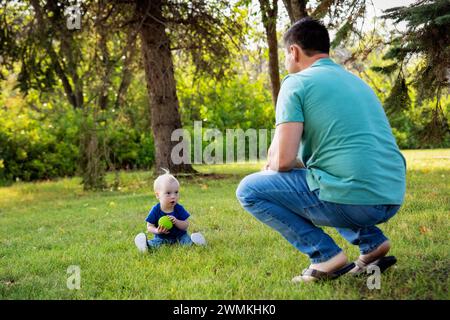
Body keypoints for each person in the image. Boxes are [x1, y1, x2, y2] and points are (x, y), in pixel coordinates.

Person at [236, 17, 406, 282]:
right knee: (325, 179)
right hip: (391, 193)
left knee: (249, 190)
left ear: (294, 51)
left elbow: (282, 161)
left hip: (356, 199)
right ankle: (371, 241)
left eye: (285, 54)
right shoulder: (357, 82)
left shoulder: (297, 83)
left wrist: (274, 163)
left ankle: (324, 255)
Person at [134, 169, 206, 252]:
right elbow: (149, 226)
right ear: (158, 195)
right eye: (168, 193)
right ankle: (145, 246)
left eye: (176, 192)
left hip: (180, 236)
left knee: (186, 240)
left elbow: (186, 225)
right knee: (156, 243)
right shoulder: (156, 210)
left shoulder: (179, 208)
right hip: (162, 237)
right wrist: (157, 230)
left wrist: (177, 222)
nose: (173, 196)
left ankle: (198, 243)